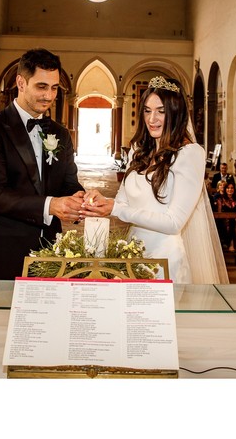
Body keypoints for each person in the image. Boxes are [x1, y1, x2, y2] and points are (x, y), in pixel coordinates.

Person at [82, 76, 228, 285]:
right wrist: (102, 201)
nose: (152, 119)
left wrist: (114, 208)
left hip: (165, 259)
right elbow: (122, 202)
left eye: (161, 111)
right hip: (132, 251)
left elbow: (174, 223)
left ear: (176, 114)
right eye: (147, 111)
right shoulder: (139, 151)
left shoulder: (189, 154)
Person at [0, 48, 85, 280]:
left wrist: (81, 199)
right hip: (1, 249)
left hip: (49, 251)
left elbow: (68, 182)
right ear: (21, 82)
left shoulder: (60, 134)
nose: (49, 96)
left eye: (54, 88)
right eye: (41, 87)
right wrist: (50, 205)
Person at [215, 181, 236, 252]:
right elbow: (219, 212)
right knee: (232, 222)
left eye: (232, 188)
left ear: (234, 189)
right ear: (225, 189)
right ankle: (232, 244)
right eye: (228, 188)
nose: (230, 189)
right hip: (224, 219)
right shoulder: (221, 199)